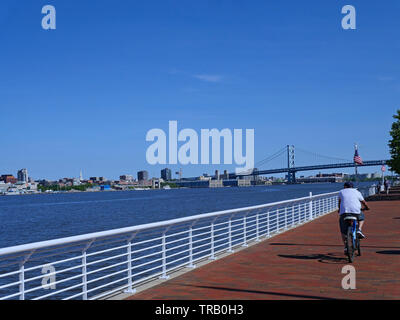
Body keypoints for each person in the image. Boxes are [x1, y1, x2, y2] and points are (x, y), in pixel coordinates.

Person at [338, 182, 370, 254]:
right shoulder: (357, 192)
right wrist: (367, 207)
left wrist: (339, 209)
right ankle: (359, 229)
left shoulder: (341, 192)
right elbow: (363, 202)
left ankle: (346, 247)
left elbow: (339, 202)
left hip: (344, 212)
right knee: (361, 217)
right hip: (356, 212)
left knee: (343, 231)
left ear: (345, 186)